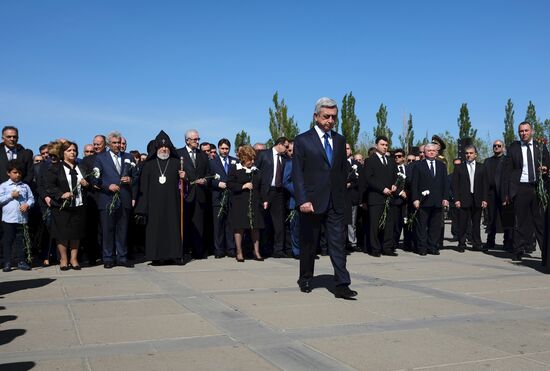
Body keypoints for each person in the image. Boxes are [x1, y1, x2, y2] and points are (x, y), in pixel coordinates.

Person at [292, 97, 356, 299]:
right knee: (309, 243)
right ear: (316, 116)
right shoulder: (302, 140)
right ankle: (306, 278)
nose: (330, 121)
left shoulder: (340, 140)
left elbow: (340, 169)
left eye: (333, 117)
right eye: (326, 116)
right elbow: (297, 173)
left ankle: (342, 284)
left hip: (335, 202)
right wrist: (302, 200)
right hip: (311, 202)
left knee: (337, 243)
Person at [135, 131, 185, 263]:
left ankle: (174, 255)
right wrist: (143, 207)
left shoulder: (176, 163)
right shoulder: (149, 164)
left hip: (172, 203)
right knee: (155, 230)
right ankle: (156, 257)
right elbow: (143, 187)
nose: (164, 149)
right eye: (161, 147)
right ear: (156, 148)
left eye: (166, 147)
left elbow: (185, 184)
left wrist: (184, 177)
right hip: (154, 204)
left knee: (172, 228)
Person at [502, 121, 550, 262]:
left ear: (532, 131)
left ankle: (545, 254)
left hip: (537, 188)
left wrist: (546, 169)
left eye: (526, 131)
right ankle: (518, 250)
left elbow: (548, 162)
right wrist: (507, 193)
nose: (523, 133)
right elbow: (507, 172)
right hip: (521, 188)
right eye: (521, 131)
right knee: (520, 221)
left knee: (540, 222)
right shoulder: (513, 148)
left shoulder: (540, 146)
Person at [45, 141, 90, 270]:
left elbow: (91, 183)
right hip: (62, 206)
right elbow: (50, 186)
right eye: (69, 150)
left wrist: (87, 184)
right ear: (63, 153)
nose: (73, 152)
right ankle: (63, 259)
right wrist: (61, 194)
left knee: (76, 233)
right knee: (62, 233)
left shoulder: (81, 167)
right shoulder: (55, 168)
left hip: (79, 205)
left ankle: (74, 258)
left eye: (74, 150)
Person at [94, 131, 135, 268]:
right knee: (108, 230)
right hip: (107, 199)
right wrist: (107, 186)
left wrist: (130, 179)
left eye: (119, 143)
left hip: (124, 198)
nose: (117, 145)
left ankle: (122, 257)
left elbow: (137, 176)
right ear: (108, 144)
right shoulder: (100, 158)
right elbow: (95, 179)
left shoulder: (129, 157)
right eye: (114, 143)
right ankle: (108, 258)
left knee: (123, 230)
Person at [227, 145, 264, 262]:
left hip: (254, 201)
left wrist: (264, 200)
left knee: (255, 227)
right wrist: (242, 186)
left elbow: (261, 186)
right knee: (239, 227)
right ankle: (239, 252)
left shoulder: (256, 170)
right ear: (243, 158)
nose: (252, 161)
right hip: (240, 201)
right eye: (250, 159)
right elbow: (230, 184)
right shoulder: (235, 168)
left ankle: (256, 251)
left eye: (253, 159)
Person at [411, 143, 450, 256]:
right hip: (423, 201)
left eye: (434, 150)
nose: (431, 152)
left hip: (437, 201)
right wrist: (415, 199)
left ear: (437, 152)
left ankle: (432, 246)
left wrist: (446, 198)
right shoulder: (418, 165)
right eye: (429, 150)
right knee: (422, 226)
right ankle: (422, 247)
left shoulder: (441, 165)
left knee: (435, 226)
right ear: (425, 152)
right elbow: (414, 184)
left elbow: (445, 184)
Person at [363, 136, 398, 257]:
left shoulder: (391, 161)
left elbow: (395, 177)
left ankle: (387, 247)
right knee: (375, 225)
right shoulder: (370, 160)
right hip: (376, 197)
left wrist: (394, 185)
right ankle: (375, 248)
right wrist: (382, 189)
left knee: (389, 224)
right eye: (382, 144)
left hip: (389, 198)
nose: (384, 147)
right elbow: (369, 178)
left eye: (386, 145)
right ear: (376, 145)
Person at [177, 129, 209, 259]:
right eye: (195, 139)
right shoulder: (179, 154)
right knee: (184, 223)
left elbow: (208, 172)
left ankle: (198, 251)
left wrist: (205, 180)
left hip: (199, 194)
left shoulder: (202, 155)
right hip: (185, 195)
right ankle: (183, 250)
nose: (197, 141)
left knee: (198, 223)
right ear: (187, 140)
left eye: (198, 139)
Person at [256, 136, 289, 258]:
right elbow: (256, 171)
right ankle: (264, 249)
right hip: (266, 192)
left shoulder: (285, 158)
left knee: (279, 222)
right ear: (279, 144)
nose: (287, 149)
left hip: (279, 192)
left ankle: (278, 249)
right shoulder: (264, 155)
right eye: (285, 146)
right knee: (265, 222)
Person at [452, 145, 488, 252]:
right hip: (463, 199)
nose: (469, 155)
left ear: (475, 154)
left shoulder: (482, 167)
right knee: (463, 222)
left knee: (476, 223)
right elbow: (455, 185)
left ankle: (477, 243)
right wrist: (457, 199)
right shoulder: (459, 167)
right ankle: (461, 244)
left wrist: (485, 199)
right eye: (467, 153)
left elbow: (485, 184)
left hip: (477, 198)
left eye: (471, 153)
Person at [0, 161, 34, 271]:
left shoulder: (25, 186)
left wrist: (27, 205)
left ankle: (21, 261)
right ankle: (7, 262)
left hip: (21, 219)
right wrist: (10, 195)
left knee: (20, 241)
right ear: (8, 173)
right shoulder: (4, 186)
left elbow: (31, 198)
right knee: (8, 241)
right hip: (8, 219)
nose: (17, 175)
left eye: (19, 173)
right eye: (15, 172)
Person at [209, 138, 237, 258]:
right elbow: (208, 178)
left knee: (230, 224)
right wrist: (217, 183)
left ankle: (231, 249)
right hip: (218, 197)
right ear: (218, 148)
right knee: (218, 225)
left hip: (231, 198)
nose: (224, 151)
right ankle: (218, 250)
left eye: (226, 148)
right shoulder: (212, 162)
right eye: (222, 148)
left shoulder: (235, 161)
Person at [484, 140, 511, 250]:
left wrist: (508, 194)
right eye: (495, 146)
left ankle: (508, 242)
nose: (496, 147)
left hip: (504, 193)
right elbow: (484, 178)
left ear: (503, 147)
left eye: (499, 146)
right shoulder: (487, 161)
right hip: (491, 194)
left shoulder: (507, 160)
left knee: (506, 219)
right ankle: (490, 241)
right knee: (491, 219)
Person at [345, 143, 361, 253]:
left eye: (348, 148)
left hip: (352, 196)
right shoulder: (337, 162)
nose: (346, 150)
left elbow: (361, 180)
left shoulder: (356, 164)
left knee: (352, 221)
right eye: (344, 148)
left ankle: (352, 242)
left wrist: (351, 184)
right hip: (341, 196)